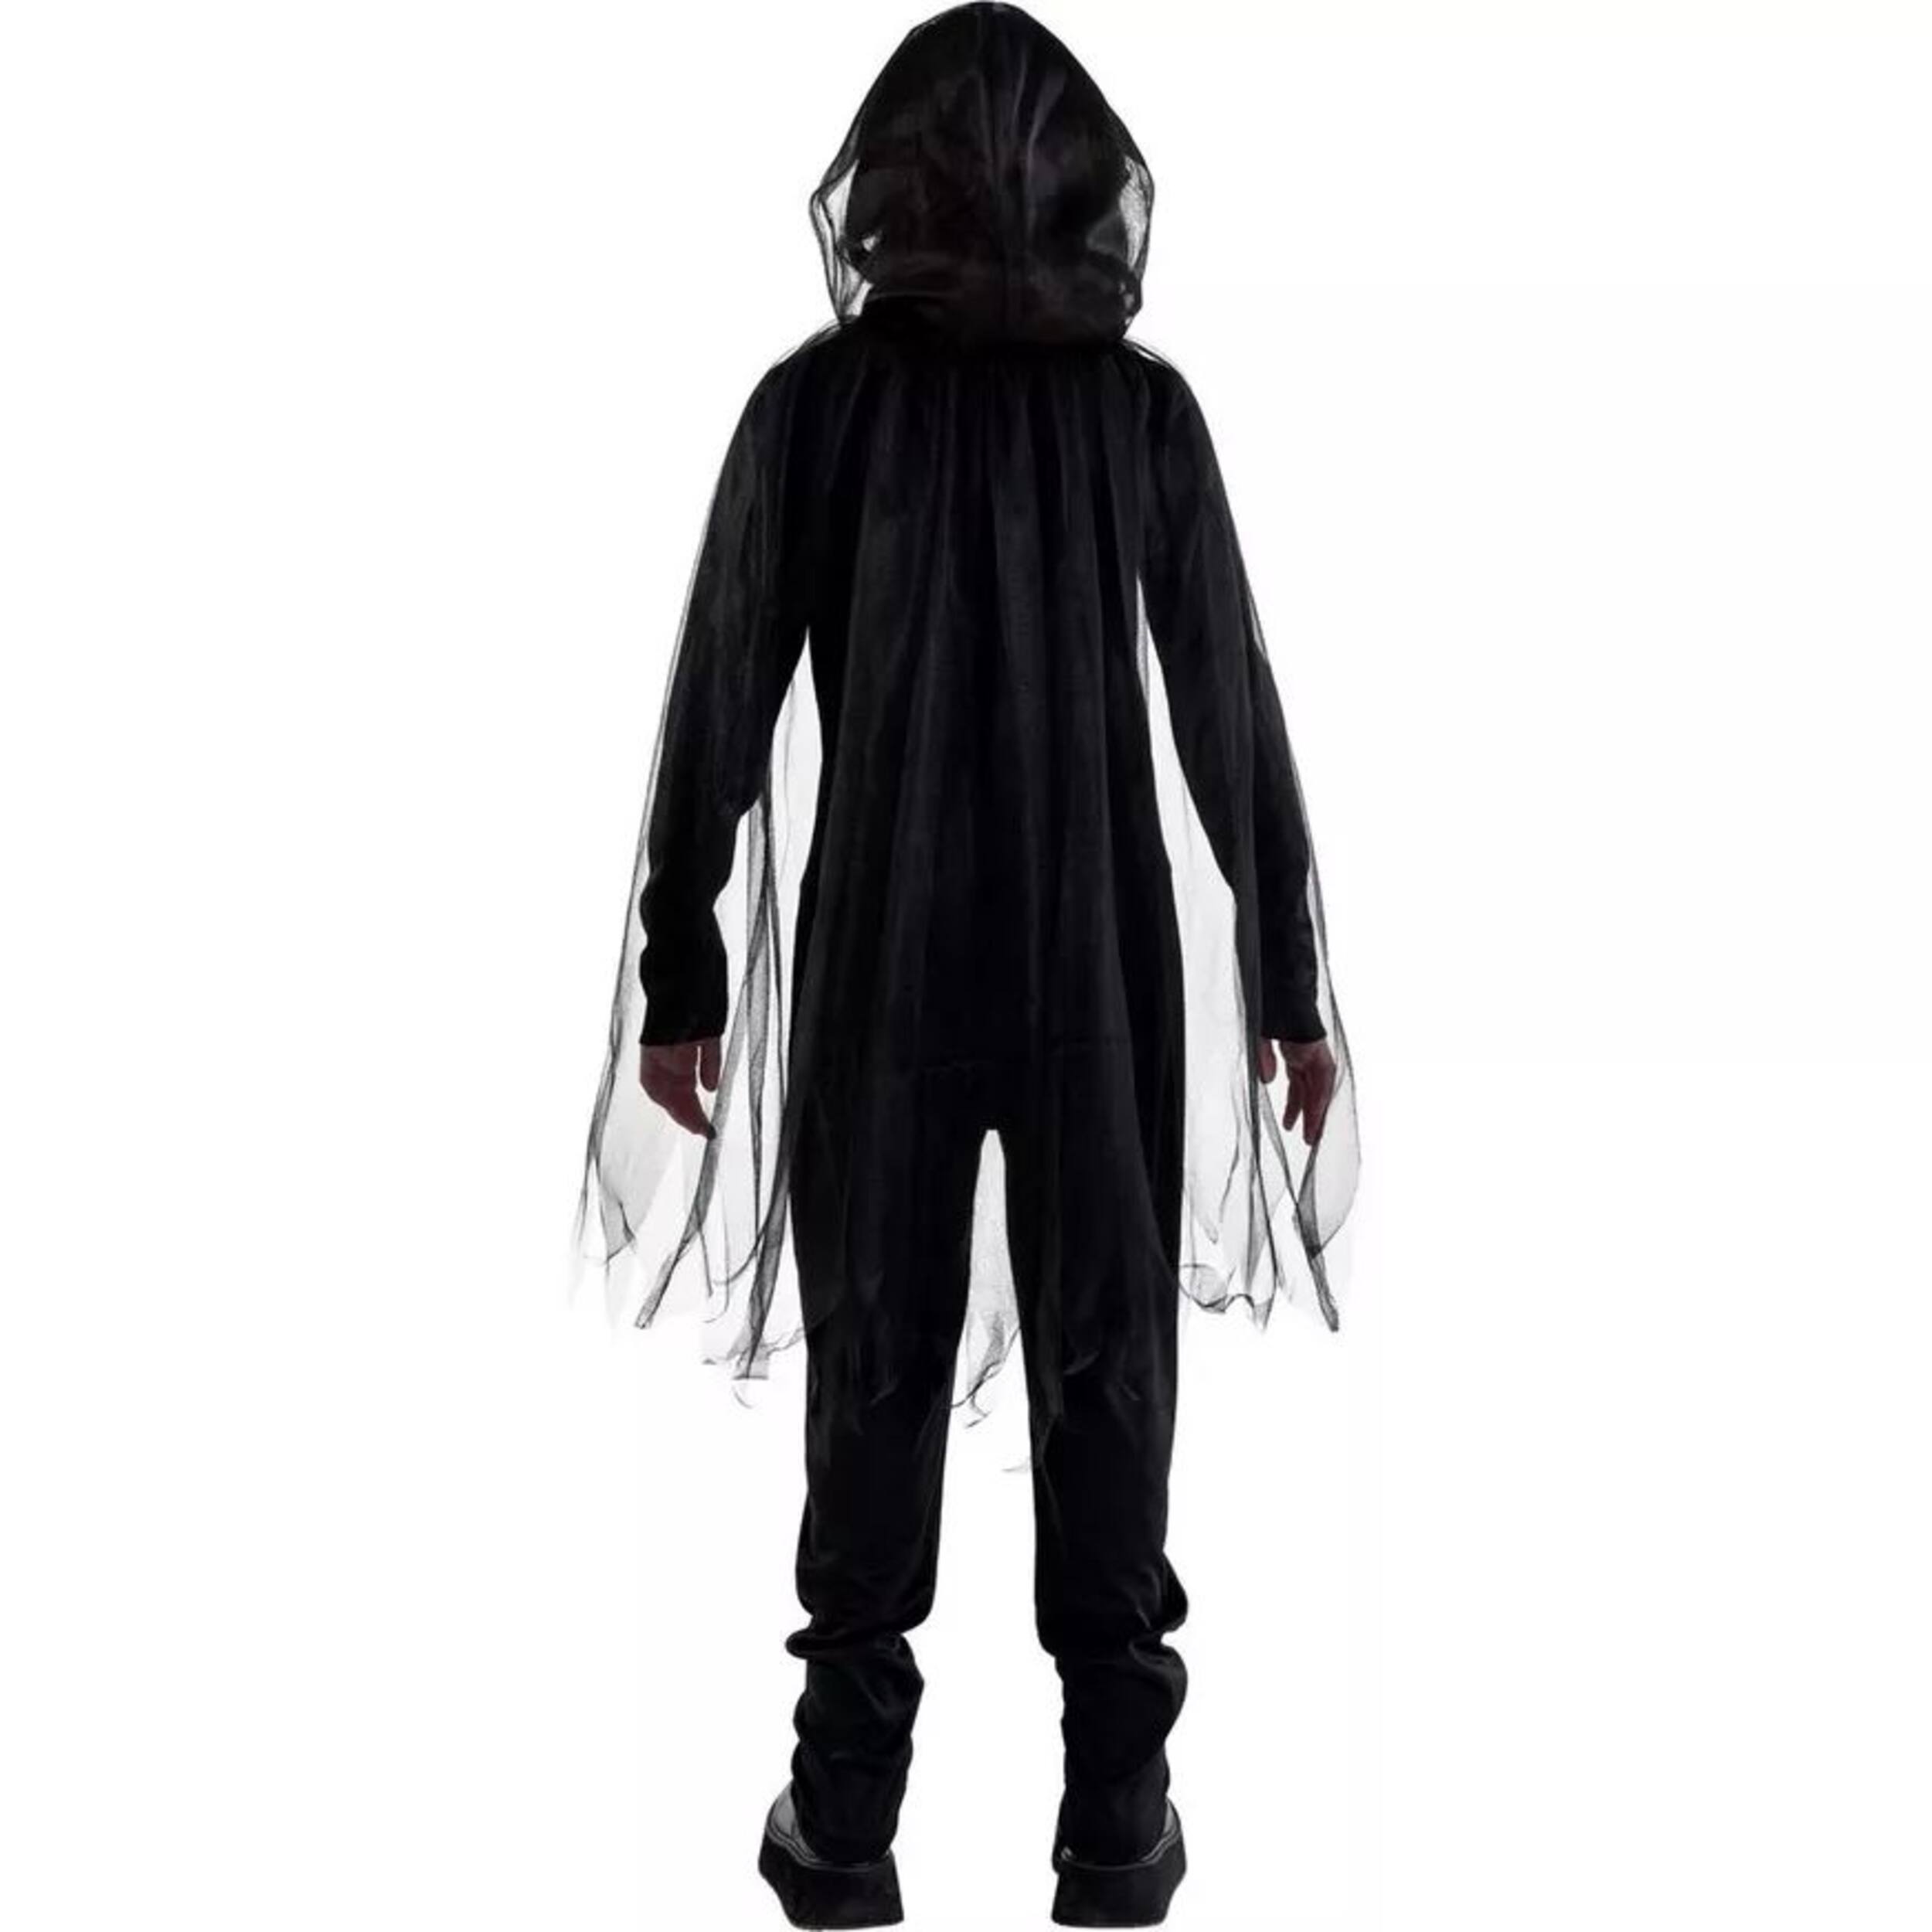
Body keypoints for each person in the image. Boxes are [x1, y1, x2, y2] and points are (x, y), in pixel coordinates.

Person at [573, 5, 1360, 1924]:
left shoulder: (816, 410)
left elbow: (716, 701)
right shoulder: (1136, 417)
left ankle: (844, 1815)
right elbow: (1228, 715)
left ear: (885, 184)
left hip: (887, 962)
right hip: (1089, 962)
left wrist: (685, 965)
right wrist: (1282, 984)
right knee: (1105, 1347)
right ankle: (1117, 1806)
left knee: (876, 1349)